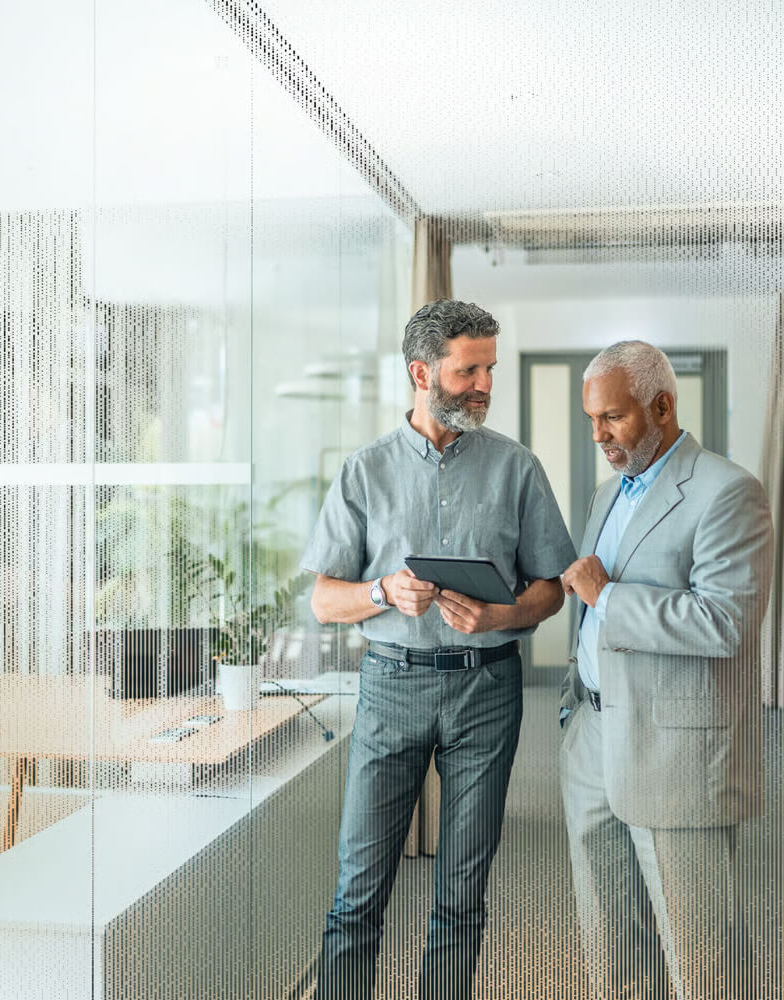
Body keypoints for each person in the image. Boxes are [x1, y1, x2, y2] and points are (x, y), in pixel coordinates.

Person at [302, 298, 575, 1000]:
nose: (485, 384)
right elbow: (325, 598)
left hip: (488, 692)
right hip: (391, 687)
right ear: (422, 372)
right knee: (357, 896)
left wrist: (499, 615)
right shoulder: (364, 473)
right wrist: (384, 592)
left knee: (461, 899)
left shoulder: (517, 469)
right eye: (468, 370)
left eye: (490, 367)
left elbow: (553, 589)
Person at [558, 341, 774, 1000]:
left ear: (662, 405)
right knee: (611, 951)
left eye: (613, 418)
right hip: (593, 742)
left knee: (699, 959)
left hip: (675, 753)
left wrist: (610, 598)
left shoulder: (726, 491)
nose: (598, 435)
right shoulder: (606, 493)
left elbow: (727, 622)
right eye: (591, 418)